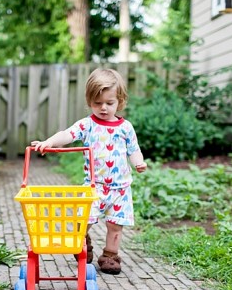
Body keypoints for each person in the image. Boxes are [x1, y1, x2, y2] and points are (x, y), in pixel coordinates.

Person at [31, 68, 147, 275]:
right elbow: (67, 134)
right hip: (95, 187)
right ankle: (83, 242)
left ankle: (111, 256)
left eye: (109, 103)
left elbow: (133, 149)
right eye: (97, 103)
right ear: (89, 101)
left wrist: (138, 163)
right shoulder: (88, 125)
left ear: (120, 101)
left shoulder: (126, 127)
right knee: (84, 221)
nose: (103, 108)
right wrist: (48, 142)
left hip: (120, 189)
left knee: (115, 226)